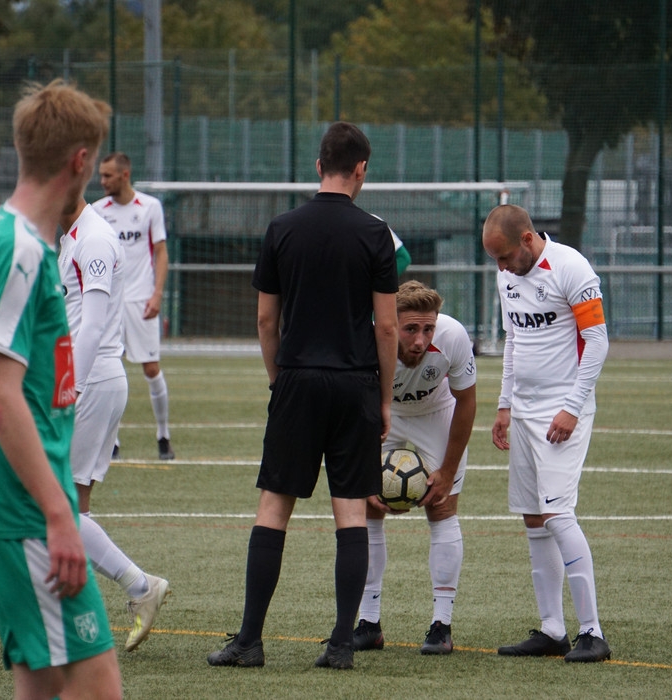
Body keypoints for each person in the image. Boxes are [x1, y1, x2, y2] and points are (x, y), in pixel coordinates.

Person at [206, 121, 399, 671]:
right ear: (361, 169)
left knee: (274, 507)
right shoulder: (375, 233)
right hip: (356, 383)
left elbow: (267, 317)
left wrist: (278, 377)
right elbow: (386, 329)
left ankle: (249, 641)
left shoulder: (282, 228)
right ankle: (341, 644)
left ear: (319, 166)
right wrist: (383, 399)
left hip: (296, 380)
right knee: (351, 512)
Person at [0, 79, 122, 700]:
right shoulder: (23, 251)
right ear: (81, 161)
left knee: (42, 678)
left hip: (5, 498)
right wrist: (59, 514)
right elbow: (0, 396)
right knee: (98, 682)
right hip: (22, 506)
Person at [483, 204, 612, 663]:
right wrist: (504, 406)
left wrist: (572, 408)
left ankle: (592, 632)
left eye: (503, 257)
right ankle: (553, 629)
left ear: (526, 240)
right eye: (493, 260)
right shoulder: (506, 275)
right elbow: (514, 339)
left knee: (558, 514)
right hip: (524, 413)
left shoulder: (571, 266)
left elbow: (597, 340)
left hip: (563, 412)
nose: (499, 268)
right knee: (534, 518)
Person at [59, 192, 171, 651]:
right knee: (71, 508)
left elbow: (93, 324)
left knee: (55, 509)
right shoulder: (70, 236)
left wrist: (71, 389)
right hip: (92, 381)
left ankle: (138, 586)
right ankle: (127, 596)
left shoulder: (95, 239)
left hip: (92, 383)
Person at [353, 281, 476, 656]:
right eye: (410, 329)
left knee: (441, 508)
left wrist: (448, 467)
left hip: (435, 414)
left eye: (428, 328)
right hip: (377, 416)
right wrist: (361, 475)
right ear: (391, 323)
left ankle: (442, 625)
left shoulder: (453, 336)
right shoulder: (363, 338)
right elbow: (347, 407)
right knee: (367, 509)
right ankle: (368, 622)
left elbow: (467, 402)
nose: (421, 340)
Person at [93, 152, 175, 460]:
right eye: (101, 175)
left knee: (151, 368)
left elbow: (161, 252)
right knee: (108, 367)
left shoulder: (150, 207)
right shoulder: (97, 211)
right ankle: (111, 441)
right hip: (109, 302)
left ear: (124, 175)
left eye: (108, 176)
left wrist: (157, 294)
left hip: (141, 301)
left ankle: (163, 436)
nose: (102, 181)